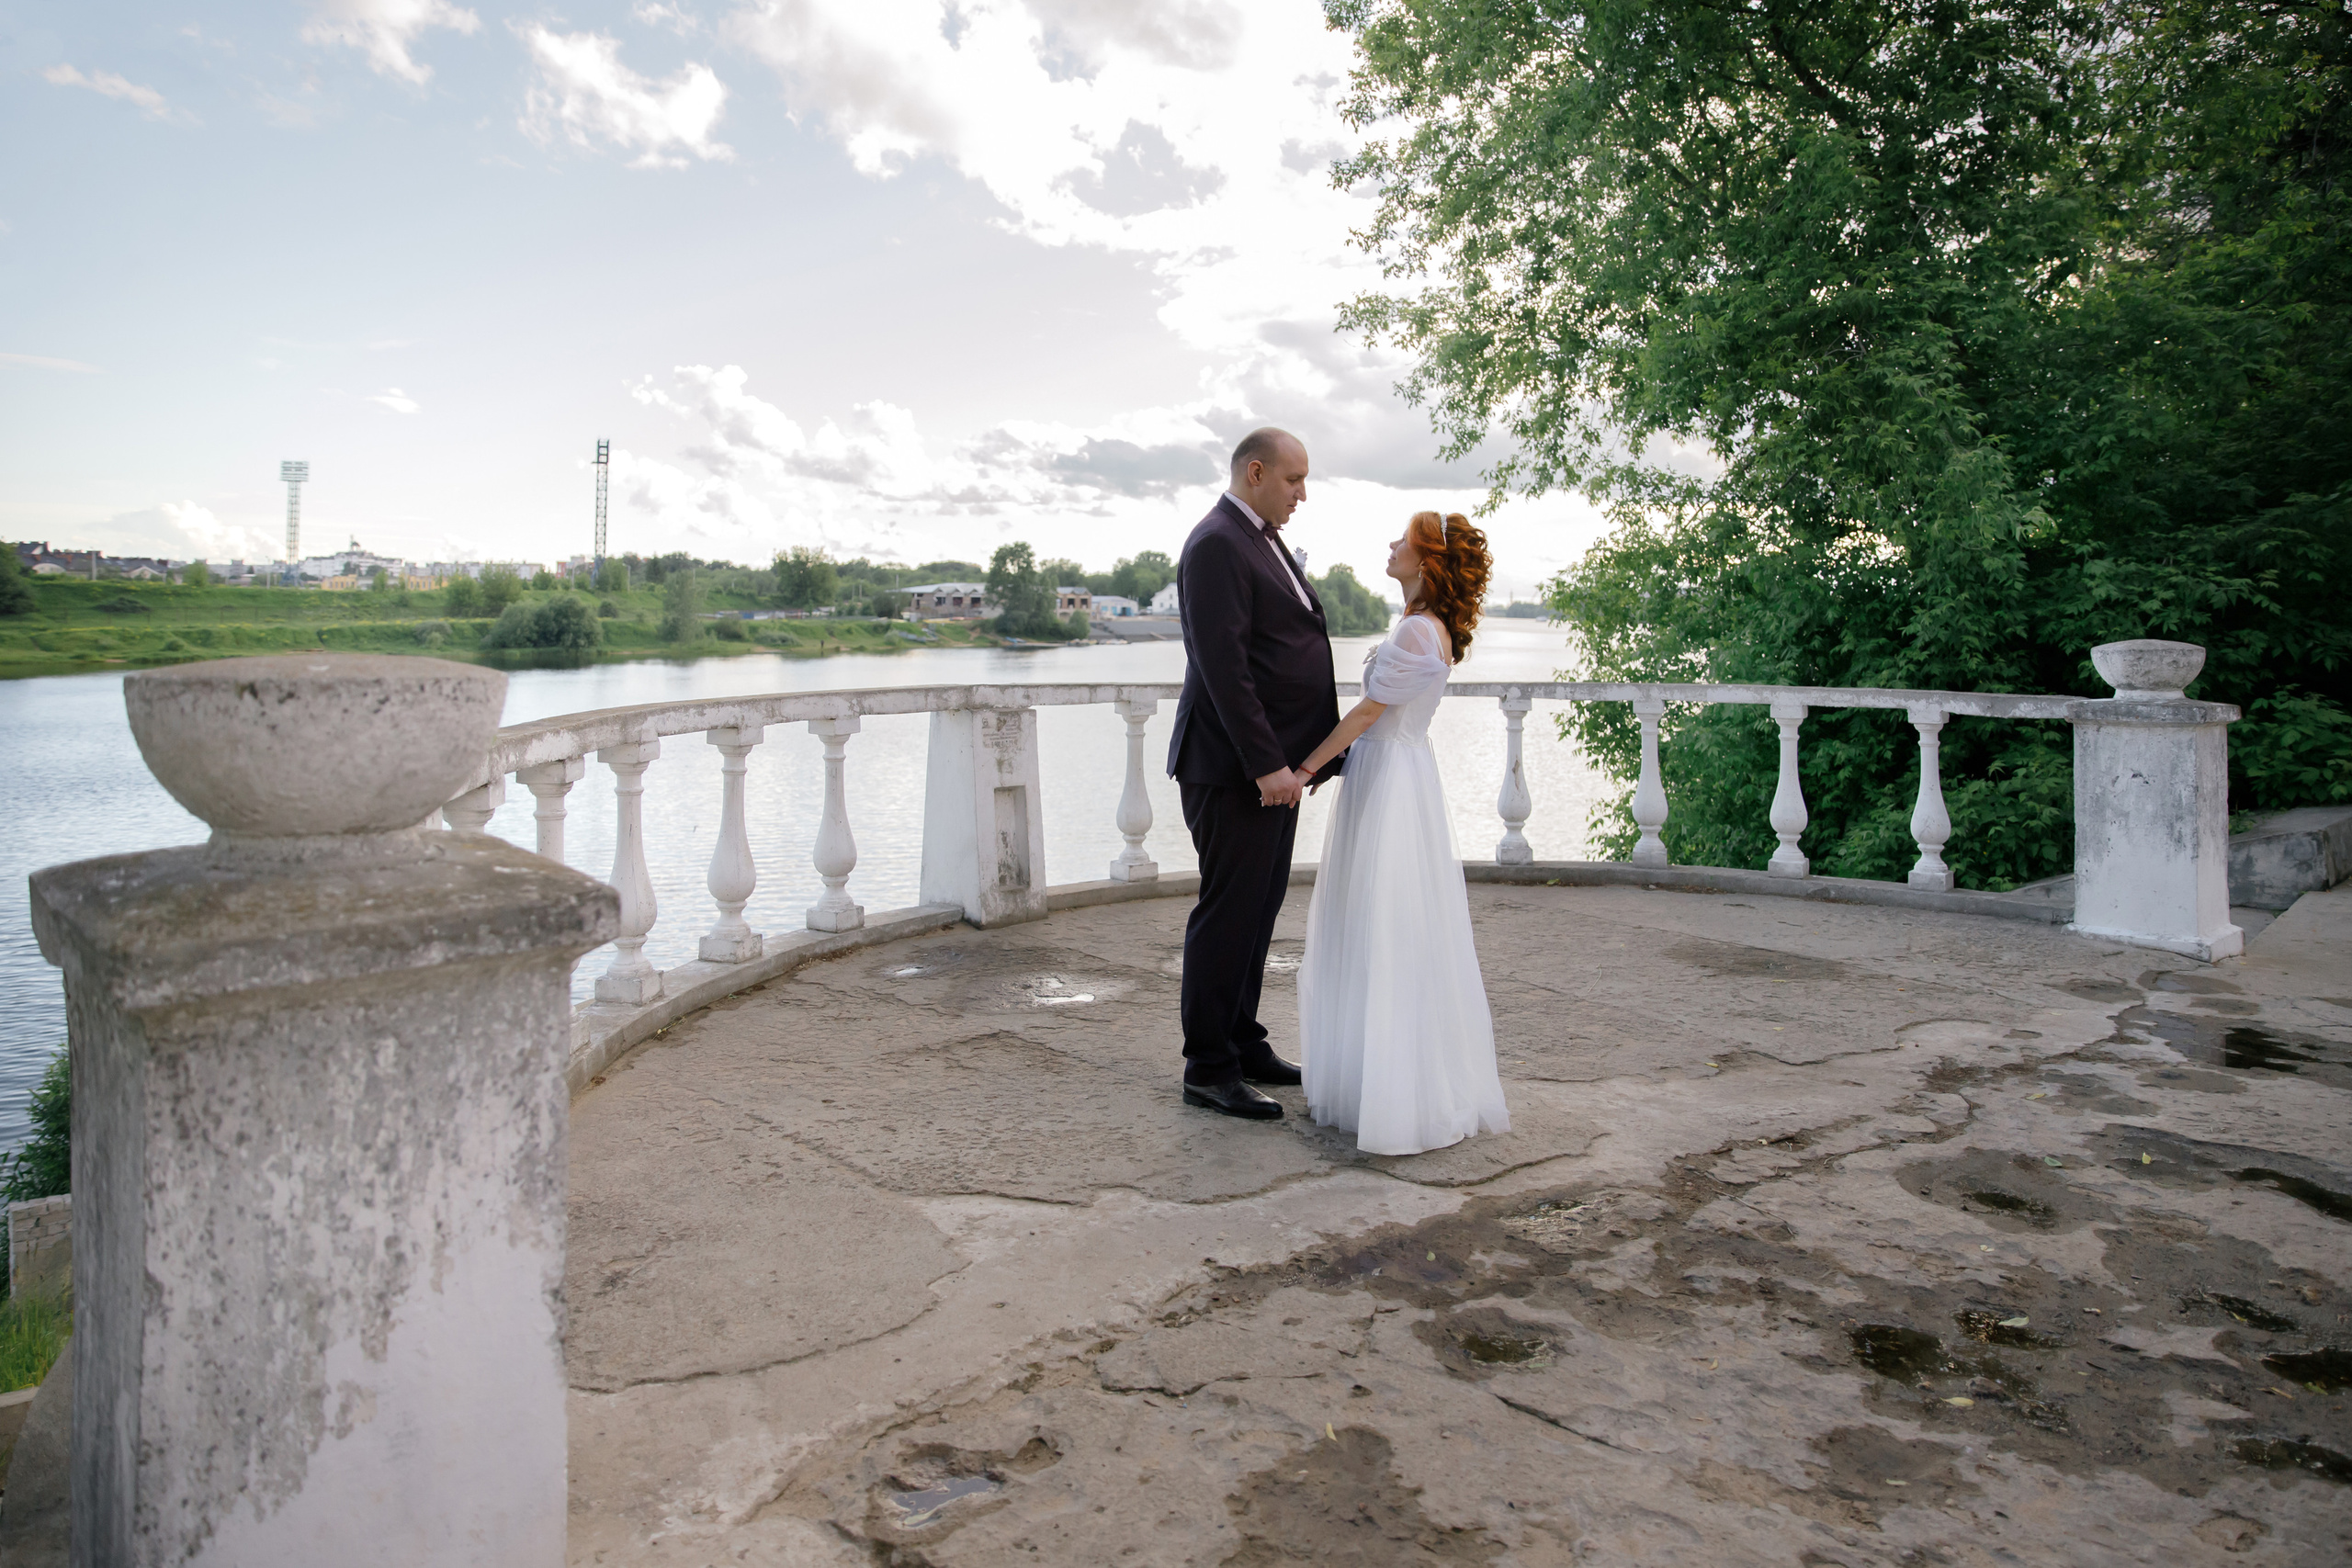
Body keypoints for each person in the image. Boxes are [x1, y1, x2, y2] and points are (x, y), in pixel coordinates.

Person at [1287, 513, 1510, 1156]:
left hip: (1389, 779)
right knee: (1386, 927)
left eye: (1401, 541)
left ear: (1426, 560)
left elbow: (1365, 712)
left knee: (1382, 928)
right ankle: (1380, 1082)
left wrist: (1306, 765)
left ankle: (1395, 1094)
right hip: (1395, 771)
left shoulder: (1417, 630)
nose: (1389, 546)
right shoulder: (1424, 626)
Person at [1167, 428, 1340, 1121]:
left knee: (1258, 910)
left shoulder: (1258, 536)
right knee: (1228, 913)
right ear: (1256, 471)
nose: (1304, 493)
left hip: (1276, 775)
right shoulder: (1216, 543)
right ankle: (1208, 1066)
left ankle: (1242, 1039)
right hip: (1234, 770)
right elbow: (1223, 667)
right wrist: (1267, 762)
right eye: (1294, 479)